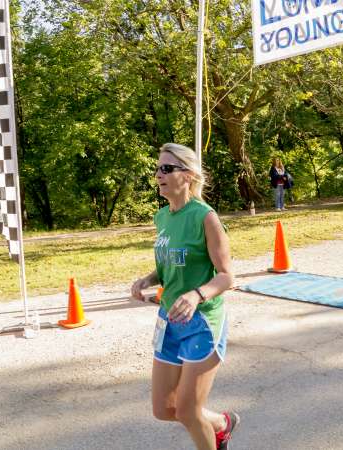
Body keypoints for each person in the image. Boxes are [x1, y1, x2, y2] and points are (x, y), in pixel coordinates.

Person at [131, 143, 240, 450]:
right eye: (158, 168)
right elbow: (169, 267)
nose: (158, 175)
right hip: (168, 320)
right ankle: (221, 423)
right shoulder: (162, 216)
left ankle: (212, 437)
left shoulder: (205, 217)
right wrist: (148, 279)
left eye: (167, 168)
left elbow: (227, 276)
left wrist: (196, 295)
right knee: (164, 409)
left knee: (188, 411)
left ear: (189, 175)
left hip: (202, 322)